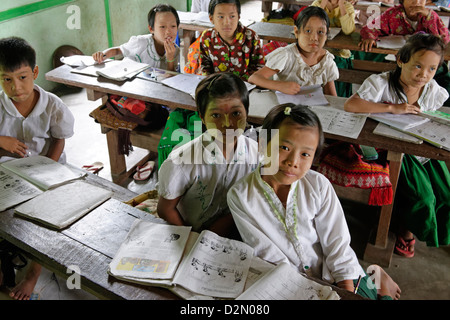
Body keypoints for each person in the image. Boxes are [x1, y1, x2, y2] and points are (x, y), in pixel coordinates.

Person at [227, 103, 401, 300]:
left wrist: (345, 293)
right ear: (262, 143)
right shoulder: (240, 196)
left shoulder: (318, 185)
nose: (293, 161)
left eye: (305, 154)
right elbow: (269, 256)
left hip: (335, 274)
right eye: (284, 147)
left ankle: (379, 280)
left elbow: (338, 247)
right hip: (291, 284)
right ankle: (375, 277)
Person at [345, 33, 450, 256]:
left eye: (431, 69)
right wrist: (392, 108)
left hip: (421, 148)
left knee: (446, 193)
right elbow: (352, 105)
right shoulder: (381, 84)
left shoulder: (432, 91)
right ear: (400, 60)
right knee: (423, 197)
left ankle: (437, 233)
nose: (424, 75)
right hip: (394, 150)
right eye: (418, 66)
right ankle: (406, 231)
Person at [0, 37, 74, 299]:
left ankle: (33, 272)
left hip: (48, 169)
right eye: (6, 79)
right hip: (10, 172)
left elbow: (59, 138)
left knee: (46, 215)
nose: (16, 87)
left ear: (34, 72)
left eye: (21, 77)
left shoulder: (53, 104)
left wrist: (49, 168)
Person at [159, 0, 264, 167]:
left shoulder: (251, 38)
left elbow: (258, 68)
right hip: (216, 91)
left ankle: (238, 159)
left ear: (239, 16)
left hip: (244, 92)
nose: (227, 22)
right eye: (220, 16)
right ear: (211, 18)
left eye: (232, 16)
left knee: (245, 122)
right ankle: (203, 159)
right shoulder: (207, 38)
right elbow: (205, 68)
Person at [157, 73, 259, 238]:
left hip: (234, 228)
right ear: (202, 117)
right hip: (191, 231)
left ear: (247, 112)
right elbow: (165, 209)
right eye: (216, 115)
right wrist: (190, 239)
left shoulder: (257, 154)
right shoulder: (182, 161)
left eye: (236, 113)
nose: (227, 124)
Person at [248, 6, 338, 96]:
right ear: (296, 32)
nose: (314, 38)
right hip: (283, 106)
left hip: (309, 108)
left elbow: (332, 96)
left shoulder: (326, 61)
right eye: (308, 31)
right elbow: (254, 78)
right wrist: (280, 86)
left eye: (320, 32)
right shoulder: (286, 55)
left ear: (327, 34)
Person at [92, 4, 180, 71]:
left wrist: (170, 59)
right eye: (162, 27)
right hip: (132, 84)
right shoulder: (141, 42)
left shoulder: (175, 50)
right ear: (151, 29)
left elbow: (171, 79)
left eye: (173, 26)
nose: (168, 31)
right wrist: (102, 55)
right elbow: (118, 50)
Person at [359, 0, 450, 52]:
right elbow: (370, 28)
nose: (417, 2)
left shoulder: (430, 15)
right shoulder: (393, 14)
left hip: (427, 60)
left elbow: (444, 39)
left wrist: (429, 16)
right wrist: (369, 37)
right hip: (402, 59)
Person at [310, 0, 356, 97]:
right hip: (317, 51)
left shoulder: (347, 6)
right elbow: (309, 24)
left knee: (337, 65)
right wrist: (323, 4)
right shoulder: (317, 4)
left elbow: (348, 30)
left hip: (339, 54)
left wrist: (341, 5)